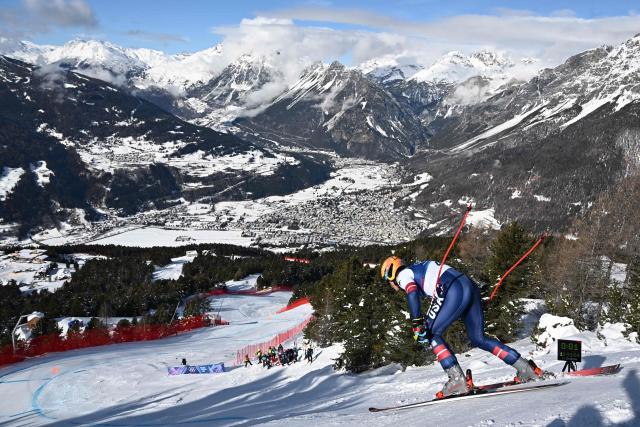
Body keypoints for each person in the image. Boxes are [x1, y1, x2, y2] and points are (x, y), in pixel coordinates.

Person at [380, 256, 543, 398]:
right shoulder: (419, 267)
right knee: (478, 338)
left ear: (391, 273)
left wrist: (416, 322)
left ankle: (457, 379)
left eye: (388, 281)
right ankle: (525, 368)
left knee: (430, 333)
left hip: (452, 289)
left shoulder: (403, 275)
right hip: (468, 286)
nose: (391, 286)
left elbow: (412, 291)